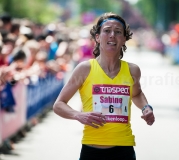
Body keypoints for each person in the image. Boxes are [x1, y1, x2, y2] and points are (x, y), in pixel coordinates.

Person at [53, 12, 155, 160]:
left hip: (124, 148)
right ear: (97, 37)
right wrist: (78, 115)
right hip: (92, 149)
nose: (112, 35)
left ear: (124, 39)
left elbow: (137, 94)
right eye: (107, 30)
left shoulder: (132, 70)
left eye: (118, 32)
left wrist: (146, 107)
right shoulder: (84, 69)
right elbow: (58, 104)